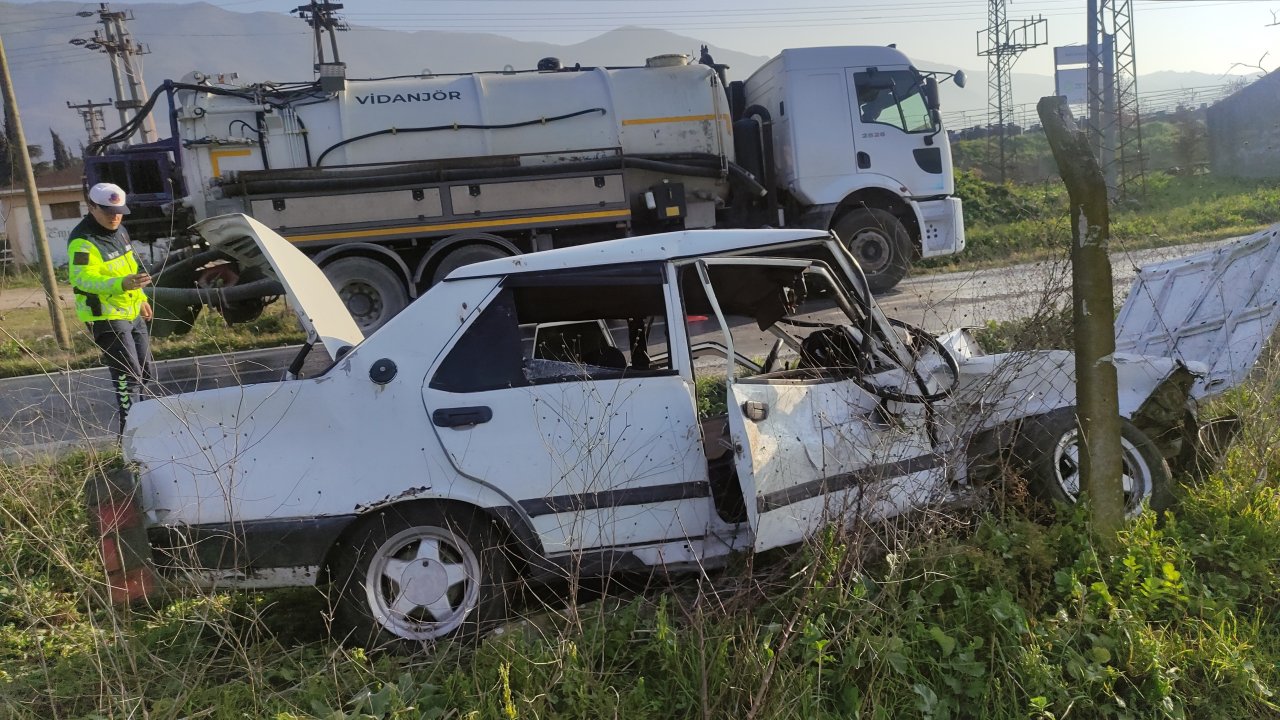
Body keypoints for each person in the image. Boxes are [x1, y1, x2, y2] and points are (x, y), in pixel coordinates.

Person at [67, 182, 155, 439]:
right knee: (128, 376)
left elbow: (130, 267)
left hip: (131, 311)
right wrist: (120, 285)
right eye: (107, 211)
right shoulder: (82, 241)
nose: (115, 216)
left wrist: (139, 296)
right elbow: (82, 280)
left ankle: (147, 430)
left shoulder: (121, 230)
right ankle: (128, 439)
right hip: (105, 316)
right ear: (91, 207)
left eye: (119, 211)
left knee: (146, 371)